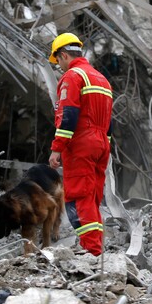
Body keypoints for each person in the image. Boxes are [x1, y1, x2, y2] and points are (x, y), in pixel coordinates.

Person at [47, 33, 113, 256]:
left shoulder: (72, 77)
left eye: (58, 61)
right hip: (102, 144)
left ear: (64, 55)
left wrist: (57, 148)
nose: (59, 66)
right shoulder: (101, 79)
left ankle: (92, 251)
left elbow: (68, 116)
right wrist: (103, 146)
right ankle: (95, 247)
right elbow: (109, 122)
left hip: (81, 144)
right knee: (92, 197)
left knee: (78, 197)